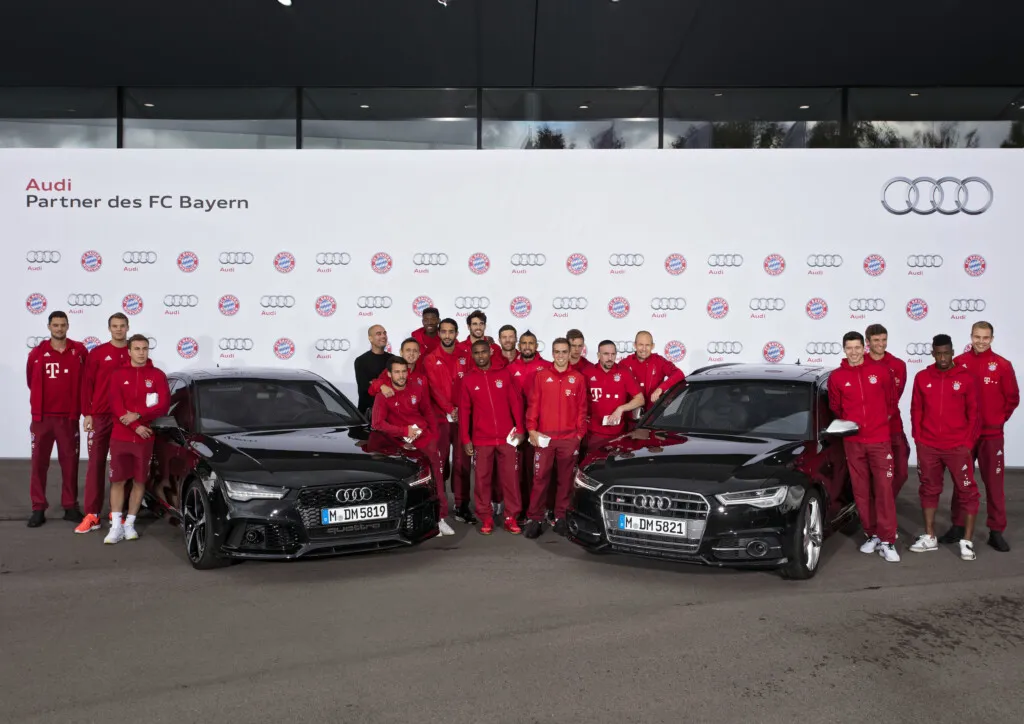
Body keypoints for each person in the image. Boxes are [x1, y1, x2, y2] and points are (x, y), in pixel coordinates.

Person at [945, 321, 1020, 551]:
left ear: (992, 338)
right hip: (966, 436)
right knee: (962, 482)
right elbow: (951, 397)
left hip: (991, 436)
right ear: (971, 336)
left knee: (994, 485)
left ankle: (995, 531)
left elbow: (1012, 398)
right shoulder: (960, 363)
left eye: (985, 337)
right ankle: (957, 526)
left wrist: (996, 420)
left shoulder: (1002, 365)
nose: (980, 341)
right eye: (977, 337)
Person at [827, 331, 900, 562]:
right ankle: (872, 534)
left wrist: (876, 424)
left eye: (858, 347)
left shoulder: (880, 371)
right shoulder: (837, 377)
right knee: (861, 491)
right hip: (854, 442)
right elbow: (836, 408)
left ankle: (888, 539)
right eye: (849, 348)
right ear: (844, 349)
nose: (854, 352)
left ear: (864, 347)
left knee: (884, 490)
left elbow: (891, 402)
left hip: (879, 440)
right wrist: (855, 427)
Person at [908, 334, 980, 561]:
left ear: (952, 352)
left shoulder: (966, 378)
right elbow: (916, 410)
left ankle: (967, 542)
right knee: (929, 489)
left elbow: (974, 414)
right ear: (932, 353)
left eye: (946, 353)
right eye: (938, 353)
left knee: (967, 491)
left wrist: (967, 444)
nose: (942, 358)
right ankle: (930, 537)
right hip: (929, 446)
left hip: (957, 446)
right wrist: (919, 440)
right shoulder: (922, 377)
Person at [372, 356, 452, 535]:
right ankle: (417, 522)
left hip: (425, 441)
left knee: (436, 479)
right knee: (412, 483)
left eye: (404, 371)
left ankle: (441, 519)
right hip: (401, 445)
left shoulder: (417, 388)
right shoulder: (383, 395)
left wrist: (433, 435)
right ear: (390, 374)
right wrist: (403, 431)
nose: (401, 375)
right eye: (397, 372)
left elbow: (428, 412)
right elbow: (377, 424)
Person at [104, 335, 170, 544]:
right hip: (121, 437)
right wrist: (136, 425)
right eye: (137, 348)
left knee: (140, 481)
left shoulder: (158, 376)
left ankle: (129, 524)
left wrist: (139, 415)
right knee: (118, 481)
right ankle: (115, 527)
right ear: (129, 351)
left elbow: (162, 406)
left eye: (145, 348)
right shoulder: (117, 375)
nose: (142, 352)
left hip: (145, 439)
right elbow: (116, 406)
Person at [26, 310, 88, 527]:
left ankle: (70, 506)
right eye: (55, 325)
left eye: (63, 325)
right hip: (42, 419)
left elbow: (87, 380)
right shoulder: (37, 353)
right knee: (39, 464)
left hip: (68, 418)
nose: (59, 328)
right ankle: (38, 508)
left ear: (68, 326)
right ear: (49, 327)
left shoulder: (78, 351)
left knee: (70, 463)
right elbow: (30, 381)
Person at [459, 340, 525, 534]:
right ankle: (486, 517)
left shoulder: (504, 374)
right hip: (481, 439)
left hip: (507, 438)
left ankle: (511, 517)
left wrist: (520, 429)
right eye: (477, 353)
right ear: (473, 355)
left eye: (483, 352)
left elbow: (515, 403)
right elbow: (464, 412)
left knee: (511, 480)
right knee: (482, 480)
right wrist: (465, 439)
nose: (480, 356)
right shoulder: (468, 379)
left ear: (490, 352)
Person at [524, 337, 587, 539]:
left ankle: (561, 517)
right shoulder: (541, 376)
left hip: (569, 439)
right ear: (552, 354)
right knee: (540, 479)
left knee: (565, 481)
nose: (560, 356)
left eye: (564, 352)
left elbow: (582, 409)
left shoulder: (577, 378)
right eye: (557, 352)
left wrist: (579, 435)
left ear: (570, 354)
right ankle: (535, 519)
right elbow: (533, 405)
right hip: (545, 438)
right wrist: (531, 430)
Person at [76, 312, 131, 534]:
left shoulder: (134, 352)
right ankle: (92, 514)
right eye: (115, 326)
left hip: (124, 418)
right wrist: (87, 414)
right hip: (100, 416)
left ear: (128, 327)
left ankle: (117, 512)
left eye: (122, 326)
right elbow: (86, 385)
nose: (118, 329)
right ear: (109, 329)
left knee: (123, 466)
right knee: (95, 465)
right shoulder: (98, 353)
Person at [423, 318, 476, 525]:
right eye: (443, 332)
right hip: (440, 419)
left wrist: (460, 410)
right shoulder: (430, 358)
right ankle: (439, 503)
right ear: (439, 333)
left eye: (451, 332)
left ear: (456, 333)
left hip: (462, 417)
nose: (447, 335)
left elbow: (470, 383)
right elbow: (434, 389)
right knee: (440, 462)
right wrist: (449, 409)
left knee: (463, 463)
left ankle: (462, 505)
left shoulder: (466, 355)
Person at [507, 330, 552, 521]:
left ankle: (542, 510)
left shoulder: (547, 367)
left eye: (531, 343)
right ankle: (523, 510)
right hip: (517, 427)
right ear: (519, 346)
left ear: (536, 346)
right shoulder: (510, 368)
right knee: (520, 473)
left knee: (540, 472)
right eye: (523, 343)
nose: (527, 346)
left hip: (539, 428)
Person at [864, 323, 911, 499]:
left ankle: (884, 505)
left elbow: (896, 396)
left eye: (884, 340)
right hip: (870, 431)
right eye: (876, 340)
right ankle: (880, 512)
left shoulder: (898, 365)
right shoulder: (860, 363)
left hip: (893, 428)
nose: (881, 344)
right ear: (867, 341)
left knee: (901, 473)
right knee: (874, 476)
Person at [584, 340, 645, 455]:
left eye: (613, 354)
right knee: (595, 469)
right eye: (606, 354)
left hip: (618, 434)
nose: (610, 358)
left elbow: (640, 399)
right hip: (594, 434)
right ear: (598, 355)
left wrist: (620, 409)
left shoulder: (624, 372)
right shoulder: (587, 373)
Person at [619, 330, 685, 418]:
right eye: (641, 345)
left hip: (653, 418)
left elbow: (679, 374)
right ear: (635, 345)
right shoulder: (624, 363)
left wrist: (660, 389)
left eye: (647, 345)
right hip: (629, 419)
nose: (644, 349)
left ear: (652, 346)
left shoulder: (659, 361)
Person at [354, 324, 390, 415]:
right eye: (378, 334)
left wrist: (374, 383)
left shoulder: (393, 359)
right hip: (369, 413)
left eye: (384, 333)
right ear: (370, 338)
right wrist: (382, 386)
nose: (383, 336)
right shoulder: (361, 360)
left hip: (390, 411)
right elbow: (364, 386)